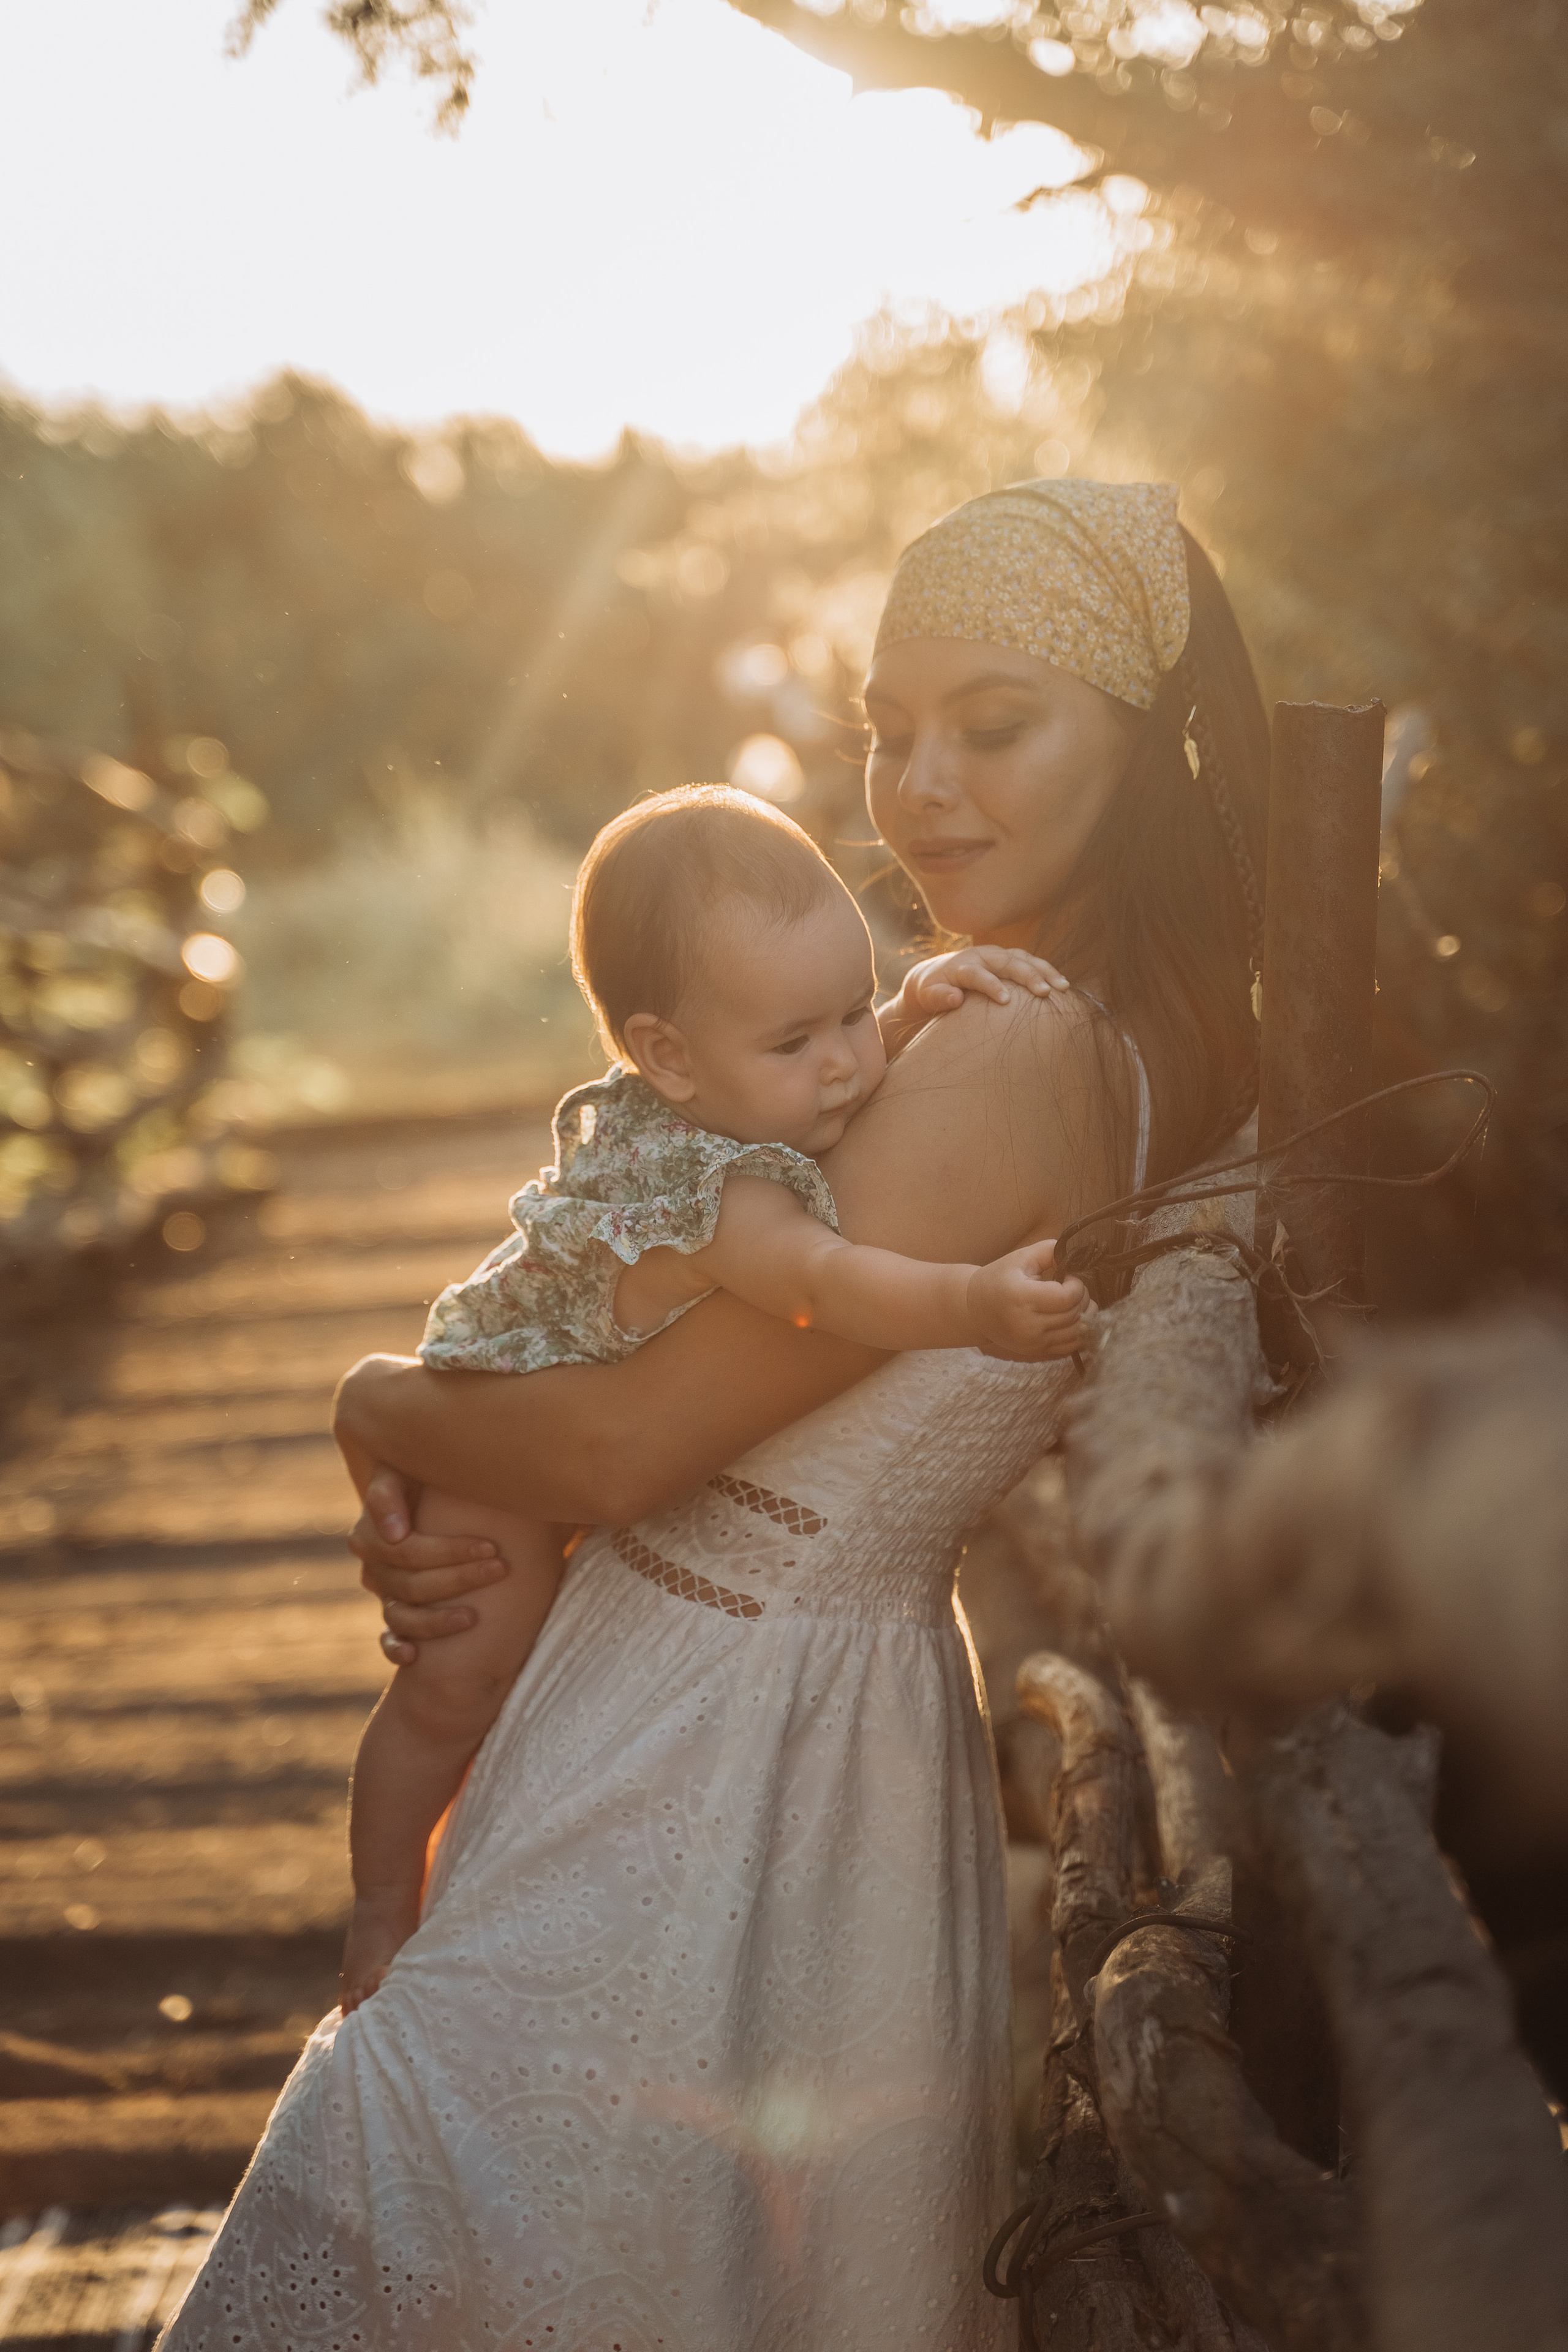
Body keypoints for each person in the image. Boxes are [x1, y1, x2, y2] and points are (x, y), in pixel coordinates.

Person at [159, 479, 1268, 2352]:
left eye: (995, 727)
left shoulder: (1025, 1051)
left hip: (713, 1749)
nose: (920, 789)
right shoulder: (1078, 1023)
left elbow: (621, 1446)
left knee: (468, 2193)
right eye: (888, 731)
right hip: (801, 1731)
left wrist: (382, 1401)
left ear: (1148, 742)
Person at [341, 782, 1090, 2012]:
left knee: (500, 1677)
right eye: (798, 1041)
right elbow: (824, 1283)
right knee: (455, 1682)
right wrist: (973, 1302)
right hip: (508, 1422)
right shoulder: (722, 1194)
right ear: (667, 1057)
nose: (844, 1062)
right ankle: (380, 1901)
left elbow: (819, 1072)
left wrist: (909, 1010)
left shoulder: (743, 1088)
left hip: (573, 1396)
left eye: (853, 1008)